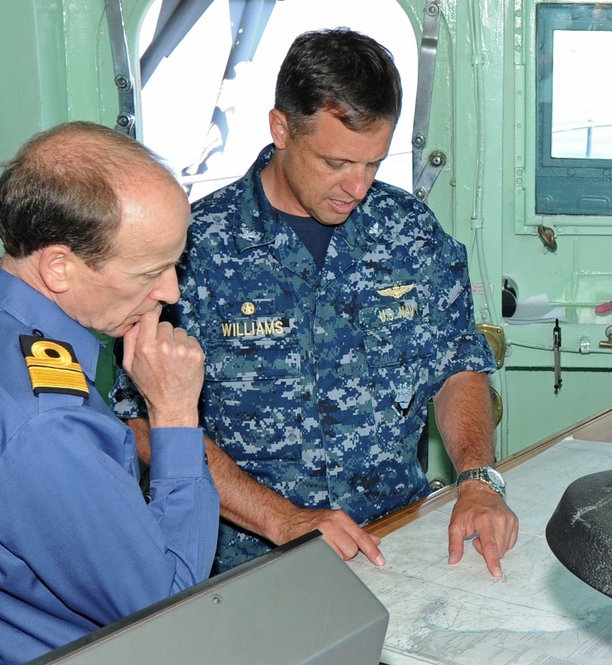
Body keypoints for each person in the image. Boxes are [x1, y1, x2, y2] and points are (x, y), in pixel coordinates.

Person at [112, 28, 518, 577]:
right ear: (281, 128)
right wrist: (286, 520)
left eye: (373, 164)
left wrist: (475, 479)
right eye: (335, 163)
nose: (357, 187)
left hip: (395, 543)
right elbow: (143, 422)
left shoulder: (409, 232)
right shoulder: (194, 248)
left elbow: (456, 366)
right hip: (248, 562)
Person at [0, 121, 219, 665]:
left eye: (175, 263)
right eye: (150, 271)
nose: (170, 291)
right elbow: (169, 606)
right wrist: (174, 412)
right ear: (58, 267)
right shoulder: (47, 423)